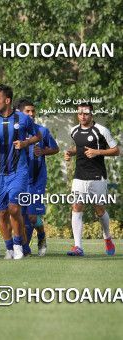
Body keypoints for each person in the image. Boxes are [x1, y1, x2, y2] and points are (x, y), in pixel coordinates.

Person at [0, 84, 41, 260]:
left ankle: (18, 245)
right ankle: (9, 249)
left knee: (14, 208)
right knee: (3, 212)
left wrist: (25, 143)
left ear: (7, 100)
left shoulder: (23, 119)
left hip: (19, 171)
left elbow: (38, 136)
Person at [64, 101, 119, 256]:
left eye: (86, 113)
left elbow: (116, 150)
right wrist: (70, 152)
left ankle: (107, 237)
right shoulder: (74, 131)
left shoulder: (101, 130)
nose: (83, 116)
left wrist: (97, 152)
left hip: (98, 176)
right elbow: (79, 148)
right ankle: (78, 247)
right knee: (76, 207)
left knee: (99, 209)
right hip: (79, 176)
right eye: (80, 113)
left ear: (91, 114)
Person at [16, 99, 59, 256]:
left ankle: (39, 238)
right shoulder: (15, 132)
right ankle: (25, 247)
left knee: (32, 216)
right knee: (21, 215)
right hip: (19, 179)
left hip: (37, 180)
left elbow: (55, 148)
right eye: (28, 111)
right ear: (20, 113)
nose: (31, 114)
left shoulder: (42, 131)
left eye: (33, 111)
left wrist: (43, 152)